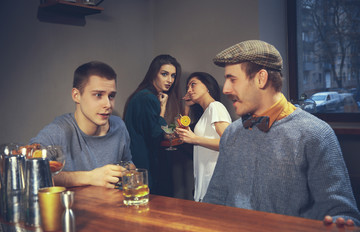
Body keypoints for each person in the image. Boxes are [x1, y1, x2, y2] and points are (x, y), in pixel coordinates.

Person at [203, 40, 360, 226]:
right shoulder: (231, 133)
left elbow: (342, 214)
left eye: (232, 79)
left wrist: (337, 226)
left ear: (261, 78)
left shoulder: (316, 134)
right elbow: (214, 199)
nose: (225, 89)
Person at [30, 61, 133, 188]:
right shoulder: (59, 131)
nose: (108, 104)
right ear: (76, 95)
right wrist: (90, 177)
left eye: (111, 96)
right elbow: (30, 171)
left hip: (112, 206)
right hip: (73, 207)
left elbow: (128, 163)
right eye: (98, 95)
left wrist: (129, 171)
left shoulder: (119, 126)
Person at [123, 54, 182, 194]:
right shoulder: (148, 98)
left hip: (135, 158)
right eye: (164, 74)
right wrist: (162, 110)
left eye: (173, 76)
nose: (170, 80)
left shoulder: (141, 95)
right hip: (144, 162)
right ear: (153, 73)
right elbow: (156, 134)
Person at [176, 72, 231, 202]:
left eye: (193, 85)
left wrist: (195, 139)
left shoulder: (215, 107)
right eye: (187, 87)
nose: (189, 90)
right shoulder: (206, 113)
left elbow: (228, 144)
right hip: (205, 179)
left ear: (207, 86)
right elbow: (185, 132)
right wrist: (187, 107)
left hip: (215, 180)